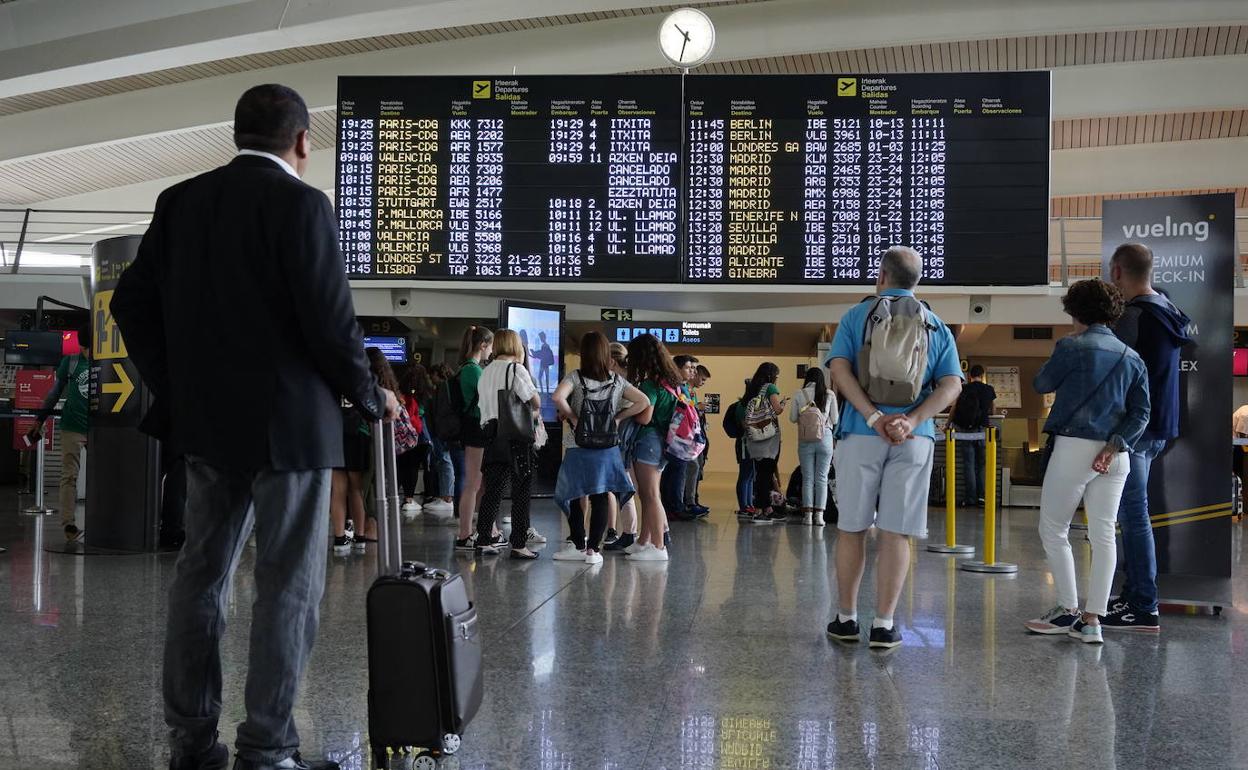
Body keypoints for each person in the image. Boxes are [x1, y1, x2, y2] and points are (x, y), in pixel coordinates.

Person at [111, 84, 398, 770]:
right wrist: (368, 397)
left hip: (207, 429)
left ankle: (192, 741)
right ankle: (266, 748)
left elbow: (131, 303)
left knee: (200, 576)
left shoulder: (182, 201)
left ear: (235, 134)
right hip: (292, 433)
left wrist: (179, 386)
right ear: (302, 142)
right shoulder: (303, 204)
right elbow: (331, 324)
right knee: (286, 585)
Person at [825, 246, 963, 649]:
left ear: (882, 276)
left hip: (860, 434)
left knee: (852, 528)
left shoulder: (857, 316)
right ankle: (884, 625)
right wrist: (912, 420)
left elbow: (838, 370)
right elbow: (951, 384)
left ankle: (846, 619)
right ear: (917, 281)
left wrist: (873, 417)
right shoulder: (935, 325)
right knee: (896, 532)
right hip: (914, 439)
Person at [1024, 279, 1151, 645]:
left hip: (1074, 448)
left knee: (1054, 529)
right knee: (1104, 534)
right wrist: (1114, 446)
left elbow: (1041, 384)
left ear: (1075, 310)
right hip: (1116, 456)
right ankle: (1093, 621)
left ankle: (1067, 609)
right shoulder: (1132, 357)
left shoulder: (1071, 346)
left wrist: (1059, 351)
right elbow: (1142, 413)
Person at [1105, 243, 1191, 632]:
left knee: (1133, 515)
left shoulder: (1134, 317)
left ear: (1118, 271)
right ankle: (1135, 595)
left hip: (1135, 430)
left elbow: (1115, 376)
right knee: (1134, 513)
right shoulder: (1170, 310)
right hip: (1161, 425)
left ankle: (1142, 603)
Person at [551, 332, 647, 563]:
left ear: (584, 354)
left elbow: (557, 398)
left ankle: (577, 544)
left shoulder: (575, 377)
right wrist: (617, 418)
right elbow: (643, 401)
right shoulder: (616, 380)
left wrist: (573, 417)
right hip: (606, 446)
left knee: (576, 494)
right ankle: (594, 550)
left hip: (577, 444)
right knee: (601, 495)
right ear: (606, 354)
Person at [474, 329, 542, 559]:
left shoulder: (485, 371)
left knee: (492, 490)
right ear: (516, 346)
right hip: (515, 437)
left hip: (492, 435)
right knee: (521, 491)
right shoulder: (516, 369)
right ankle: (519, 543)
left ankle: (483, 539)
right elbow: (534, 400)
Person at [27, 324, 91, 543]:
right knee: (69, 475)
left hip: (98, 428)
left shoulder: (106, 363)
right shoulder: (71, 362)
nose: (89, 352)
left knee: (104, 476)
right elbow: (55, 391)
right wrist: (40, 418)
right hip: (72, 426)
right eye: (86, 348)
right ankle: (69, 524)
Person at [625, 333, 682, 561]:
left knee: (649, 495)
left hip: (649, 441)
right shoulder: (674, 383)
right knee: (650, 494)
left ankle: (658, 547)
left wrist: (626, 413)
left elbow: (645, 417)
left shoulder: (651, 383)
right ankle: (643, 541)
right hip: (666, 442)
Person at [453, 325, 498, 551]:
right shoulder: (473, 370)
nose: (491, 351)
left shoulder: (467, 369)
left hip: (473, 428)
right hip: (476, 429)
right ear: (483, 345)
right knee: (472, 484)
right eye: (490, 346)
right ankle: (464, 534)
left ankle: (488, 529)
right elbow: (489, 399)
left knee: (479, 483)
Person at [604, 342, 649, 553]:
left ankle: (631, 533)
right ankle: (637, 532)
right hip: (630, 440)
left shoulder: (621, 381)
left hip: (622, 442)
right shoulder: (635, 379)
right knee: (630, 488)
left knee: (625, 487)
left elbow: (643, 403)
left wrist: (619, 418)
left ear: (612, 361)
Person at [789, 367, 837, 526]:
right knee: (822, 478)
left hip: (805, 440)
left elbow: (792, 418)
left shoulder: (799, 394)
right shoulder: (829, 394)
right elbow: (835, 419)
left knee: (807, 478)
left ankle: (808, 516)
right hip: (825, 438)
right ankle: (819, 516)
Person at [741, 362, 787, 524]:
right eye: (777, 375)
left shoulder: (752, 388)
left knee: (761, 473)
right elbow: (776, 410)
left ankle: (766, 509)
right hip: (768, 437)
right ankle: (760, 511)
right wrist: (782, 404)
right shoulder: (770, 388)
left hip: (754, 437)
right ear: (771, 375)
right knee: (766, 474)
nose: (777, 378)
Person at [948, 365, 996, 507]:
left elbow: (954, 408)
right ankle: (982, 498)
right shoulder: (989, 389)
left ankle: (970, 498)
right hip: (983, 431)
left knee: (968, 464)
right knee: (981, 465)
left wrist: (947, 424)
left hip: (965, 429)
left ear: (970, 375)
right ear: (982, 375)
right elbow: (993, 410)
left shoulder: (963, 388)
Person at [661, 354, 699, 520]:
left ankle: (675, 506)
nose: (692, 371)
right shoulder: (673, 387)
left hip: (682, 437)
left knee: (678, 472)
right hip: (675, 437)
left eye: (693, 368)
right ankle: (674, 507)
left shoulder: (681, 387)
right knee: (674, 472)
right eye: (688, 368)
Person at [397, 363, 435, 515]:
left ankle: (401, 497)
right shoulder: (427, 393)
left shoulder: (402, 393)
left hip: (404, 434)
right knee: (416, 467)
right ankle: (411, 499)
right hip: (421, 435)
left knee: (403, 466)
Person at [424, 364, 457, 518]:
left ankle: (447, 497)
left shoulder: (444, 389)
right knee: (443, 461)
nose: (431, 379)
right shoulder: (446, 388)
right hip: (440, 431)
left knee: (445, 461)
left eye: (433, 375)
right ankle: (445, 495)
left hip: (441, 431)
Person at [682, 364, 712, 517]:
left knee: (697, 468)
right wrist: (696, 407)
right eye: (702, 379)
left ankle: (693, 499)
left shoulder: (692, 393)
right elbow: (684, 407)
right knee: (691, 467)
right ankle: (688, 502)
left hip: (695, 435)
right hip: (686, 436)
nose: (703, 382)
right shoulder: (684, 389)